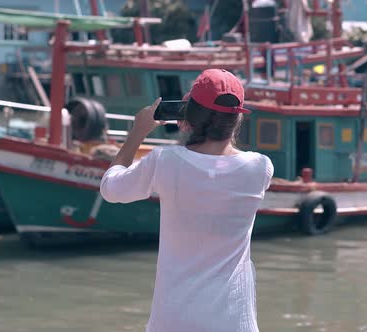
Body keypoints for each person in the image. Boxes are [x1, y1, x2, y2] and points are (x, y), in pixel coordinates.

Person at [100, 69, 274, 332]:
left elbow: (111, 189)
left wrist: (138, 132)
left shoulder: (165, 162)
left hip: (173, 320)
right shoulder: (260, 168)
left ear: (188, 116)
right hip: (234, 323)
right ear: (237, 119)